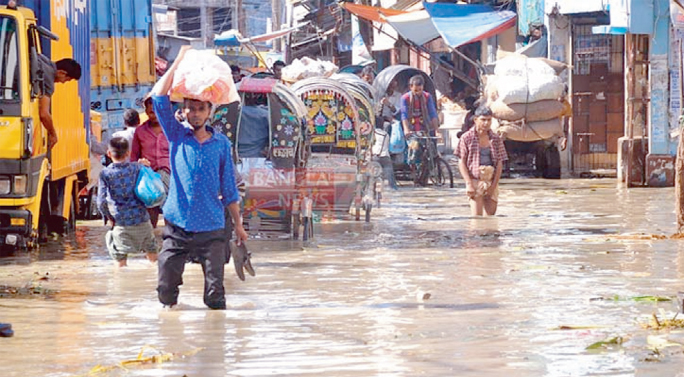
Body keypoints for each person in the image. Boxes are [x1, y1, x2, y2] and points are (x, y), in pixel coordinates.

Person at [151, 46, 248, 310]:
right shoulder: (176, 136)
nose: (195, 113)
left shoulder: (221, 145)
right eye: (190, 109)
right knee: (165, 288)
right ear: (183, 112)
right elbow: (159, 97)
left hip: (212, 228)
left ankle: (215, 343)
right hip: (177, 225)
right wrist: (179, 60)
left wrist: (238, 225)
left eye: (200, 109)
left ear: (209, 112)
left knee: (215, 296)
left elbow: (229, 189)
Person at [97, 136, 158, 268]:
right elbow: (150, 186)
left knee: (120, 261)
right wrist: (146, 166)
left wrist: (108, 218)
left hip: (121, 222)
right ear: (128, 153)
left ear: (108, 153)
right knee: (153, 256)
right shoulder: (137, 168)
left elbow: (101, 201)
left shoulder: (105, 174)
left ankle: (122, 286)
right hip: (142, 219)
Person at [456, 106, 508, 216]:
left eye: (489, 120)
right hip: (475, 179)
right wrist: (468, 183)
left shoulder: (495, 139)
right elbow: (461, 162)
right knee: (477, 218)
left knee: (491, 216)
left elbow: (499, 163)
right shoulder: (467, 138)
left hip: (491, 178)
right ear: (476, 120)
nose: (486, 123)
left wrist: (493, 186)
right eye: (483, 120)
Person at [131, 97, 170, 228]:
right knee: (150, 214)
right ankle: (150, 243)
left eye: (157, 111)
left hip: (170, 176)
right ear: (146, 112)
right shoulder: (140, 131)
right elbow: (133, 157)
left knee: (170, 212)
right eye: (151, 112)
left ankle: (171, 240)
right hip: (149, 178)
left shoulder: (172, 129)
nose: (154, 114)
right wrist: (139, 163)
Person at [38, 55, 82, 149]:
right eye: (67, 80)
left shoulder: (40, 58)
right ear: (62, 73)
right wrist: (52, 134)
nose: (63, 83)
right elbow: (44, 114)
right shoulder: (48, 79)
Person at [400, 75, 439, 181]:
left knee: (431, 147)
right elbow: (404, 115)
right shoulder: (405, 98)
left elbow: (432, 112)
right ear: (410, 87)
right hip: (411, 127)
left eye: (420, 90)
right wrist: (406, 129)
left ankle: (429, 170)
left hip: (424, 126)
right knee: (415, 147)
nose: (418, 92)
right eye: (416, 90)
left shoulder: (427, 97)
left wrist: (436, 129)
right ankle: (413, 170)